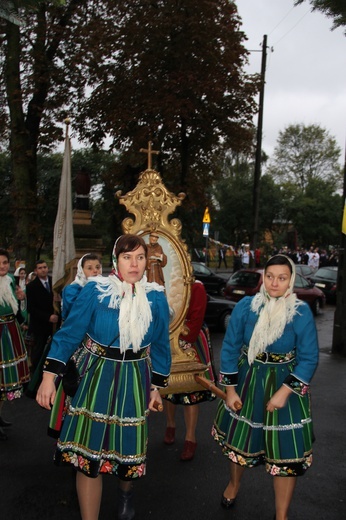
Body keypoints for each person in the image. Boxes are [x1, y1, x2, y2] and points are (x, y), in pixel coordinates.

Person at [36, 234, 171, 520]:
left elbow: (160, 345)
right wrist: (49, 377)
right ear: (116, 260)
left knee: (126, 449)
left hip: (134, 378)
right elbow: (70, 332)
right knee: (87, 455)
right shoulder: (96, 291)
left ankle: (125, 492)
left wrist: (156, 388)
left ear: (147, 261)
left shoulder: (156, 296)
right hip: (95, 375)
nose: (134, 264)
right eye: (127, 257)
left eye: (140, 257)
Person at [212, 254, 319, 520]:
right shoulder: (247, 306)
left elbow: (309, 358)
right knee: (240, 442)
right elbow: (230, 347)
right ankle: (234, 484)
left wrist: (284, 392)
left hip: (286, 385)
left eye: (282, 278)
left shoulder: (301, 311)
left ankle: (281, 514)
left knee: (286, 452)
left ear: (290, 280)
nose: (274, 283)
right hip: (249, 380)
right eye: (270, 276)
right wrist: (230, 390)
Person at [48, 253, 102, 437]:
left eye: (97, 267)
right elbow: (74, 317)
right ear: (81, 271)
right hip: (77, 347)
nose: (95, 271)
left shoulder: (106, 288)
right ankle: (69, 434)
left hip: (97, 348)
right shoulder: (72, 290)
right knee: (74, 389)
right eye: (90, 268)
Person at [163, 280, 216, 461]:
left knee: (191, 389)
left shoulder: (196, 287)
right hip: (169, 338)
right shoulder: (166, 284)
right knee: (168, 386)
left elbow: (196, 317)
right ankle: (170, 425)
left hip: (190, 340)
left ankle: (190, 438)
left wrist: (183, 342)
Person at [0, 249, 30, 441]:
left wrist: (22, 299)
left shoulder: (11, 280)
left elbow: (21, 312)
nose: (2, 266)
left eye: (4, 262)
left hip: (11, 331)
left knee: (3, 382)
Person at [26, 259, 59, 372]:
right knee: (39, 352)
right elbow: (31, 308)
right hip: (40, 325)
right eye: (40, 268)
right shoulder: (31, 286)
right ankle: (36, 376)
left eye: (44, 267)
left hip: (55, 324)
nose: (43, 269)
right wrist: (47, 317)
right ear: (36, 270)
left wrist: (58, 301)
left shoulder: (54, 282)